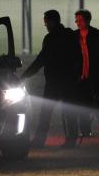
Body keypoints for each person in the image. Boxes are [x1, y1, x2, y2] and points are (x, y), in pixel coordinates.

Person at [21, 10, 80, 148]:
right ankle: (72, 140)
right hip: (70, 81)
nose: (45, 25)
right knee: (69, 112)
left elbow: (40, 60)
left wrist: (25, 75)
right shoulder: (71, 35)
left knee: (46, 113)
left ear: (52, 22)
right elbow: (79, 56)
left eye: (46, 22)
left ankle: (39, 141)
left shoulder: (50, 39)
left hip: (54, 82)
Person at [74, 9, 99, 138]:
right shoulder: (74, 36)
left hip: (93, 74)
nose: (77, 23)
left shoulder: (97, 34)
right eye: (76, 20)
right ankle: (85, 130)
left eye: (80, 20)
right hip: (80, 75)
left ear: (87, 20)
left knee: (93, 99)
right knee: (81, 102)